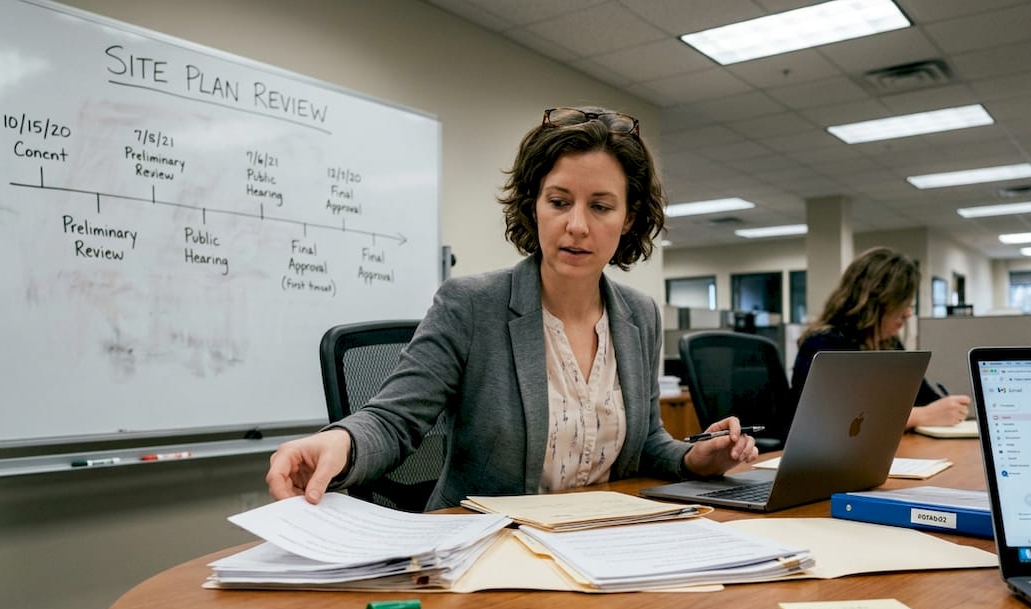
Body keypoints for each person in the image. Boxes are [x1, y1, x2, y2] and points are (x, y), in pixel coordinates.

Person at [266, 106, 759, 508]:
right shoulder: (470, 304)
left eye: (601, 206)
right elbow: (395, 420)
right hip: (490, 553)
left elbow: (647, 442)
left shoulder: (639, 316)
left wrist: (698, 459)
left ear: (629, 218)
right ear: (534, 206)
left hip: (606, 545)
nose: (578, 226)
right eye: (559, 201)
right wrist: (341, 443)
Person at [789, 247, 970, 430]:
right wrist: (922, 415)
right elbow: (837, 422)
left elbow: (924, 399)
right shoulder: (824, 345)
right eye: (902, 303)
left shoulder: (887, 343)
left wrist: (944, 409)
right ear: (874, 303)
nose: (908, 312)